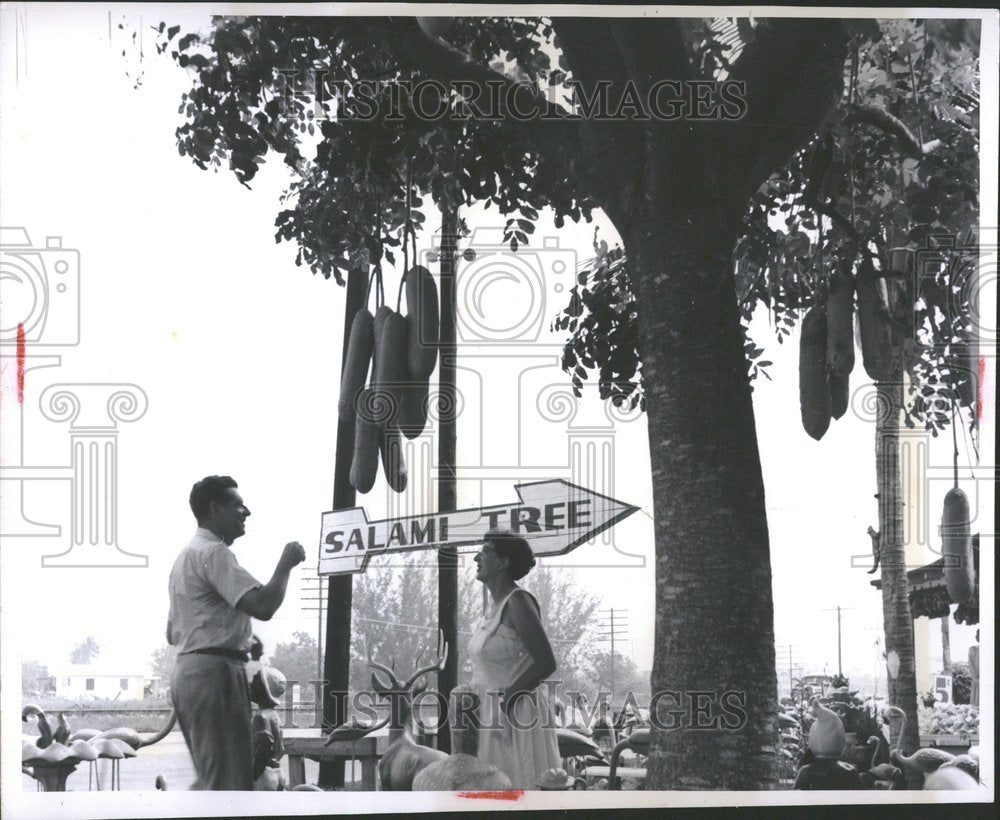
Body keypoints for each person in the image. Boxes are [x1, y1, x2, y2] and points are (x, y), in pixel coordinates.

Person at [167, 475, 305, 790]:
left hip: (190, 672)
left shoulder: (185, 557)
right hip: (216, 673)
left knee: (212, 779)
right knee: (228, 786)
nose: (247, 512)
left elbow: (172, 632)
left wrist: (229, 628)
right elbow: (263, 605)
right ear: (215, 509)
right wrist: (286, 564)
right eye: (237, 505)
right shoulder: (214, 553)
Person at [468, 528, 562, 789]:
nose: (476, 558)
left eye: (485, 552)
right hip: (490, 712)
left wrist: (507, 700)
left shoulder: (519, 601)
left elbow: (546, 663)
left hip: (517, 712)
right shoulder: (491, 608)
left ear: (504, 561)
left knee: (519, 786)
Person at [250, 666, 287, 791]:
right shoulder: (274, 715)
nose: (250, 685)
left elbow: (265, 743)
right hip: (277, 771)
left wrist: (254, 772)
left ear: (263, 689)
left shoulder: (260, 716)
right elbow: (280, 747)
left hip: (263, 775)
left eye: (255, 682)